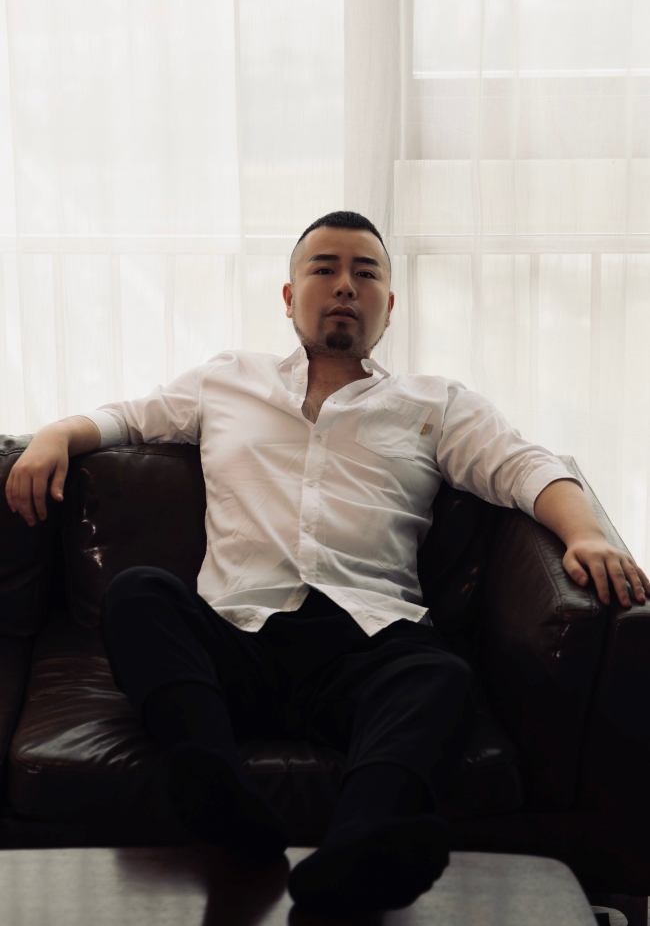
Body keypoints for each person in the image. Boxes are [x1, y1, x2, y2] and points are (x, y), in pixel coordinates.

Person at [5, 210, 649, 915]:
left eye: (365, 273)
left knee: (440, 674)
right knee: (137, 595)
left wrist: (586, 533)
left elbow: (525, 467)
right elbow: (130, 417)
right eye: (325, 268)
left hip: (368, 643)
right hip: (236, 637)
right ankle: (214, 789)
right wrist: (55, 434)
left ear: (388, 306)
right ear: (290, 297)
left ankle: (362, 848)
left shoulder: (435, 403)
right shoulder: (228, 380)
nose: (345, 285)